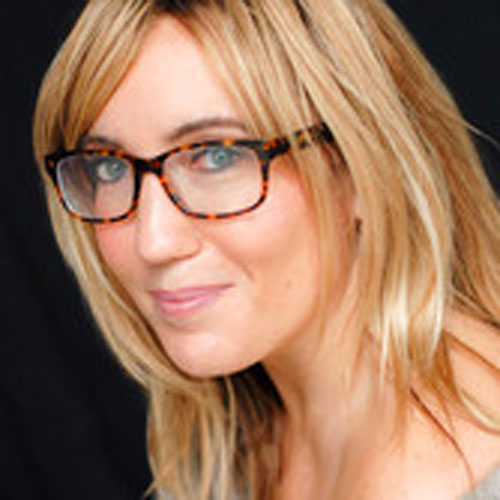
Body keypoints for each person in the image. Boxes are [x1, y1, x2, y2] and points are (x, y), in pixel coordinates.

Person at [33, 0, 500, 498]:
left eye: (216, 156)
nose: (154, 242)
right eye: (107, 166)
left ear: (360, 169)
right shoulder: (218, 454)